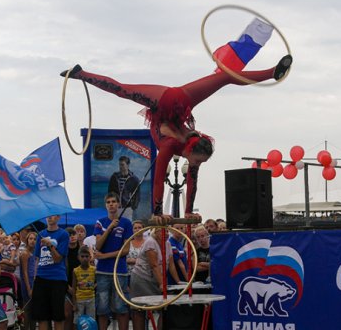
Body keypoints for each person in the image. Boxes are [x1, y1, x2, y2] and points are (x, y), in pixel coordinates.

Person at [61, 55, 292, 221]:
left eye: (200, 163)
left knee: (224, 78)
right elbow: (159, 177)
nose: (197, 165)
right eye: (199, 161)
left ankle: (272, 72)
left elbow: (193, 182)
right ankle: (81, 73)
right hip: (166, 101)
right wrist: (158, 212)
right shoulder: (171, 145)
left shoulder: (189, 152)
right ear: (191, 151)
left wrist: (189, 210)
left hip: (179, 102)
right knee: (122, 89)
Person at [92, 192, 134, 330]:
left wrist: (105, 256)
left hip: (120, 271)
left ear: (118, 204)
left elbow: (125, 250)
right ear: (106, 205)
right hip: (102, 273)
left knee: (122, 309)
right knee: (102, 310)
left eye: (114, 202)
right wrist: (109, 228)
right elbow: (98, 245)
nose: (111, 204)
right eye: (108, 202)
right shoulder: (100, 223)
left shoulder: (126, 223)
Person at [129, 227, 181, 330]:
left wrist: (178, 282)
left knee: (163, 309)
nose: (166, 233)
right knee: (140, 310)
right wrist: (162, 283)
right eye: (162, 231)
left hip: (156, 279)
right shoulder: (150, 242)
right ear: (155, 233)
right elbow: (154, 265)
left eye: (167, 231)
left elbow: (171, 264)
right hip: (142, 278)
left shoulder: (168, 244)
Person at [28, 215, 70, 330]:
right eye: (48, 216)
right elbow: (37, 259)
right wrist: (34, 281)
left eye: (53, 216)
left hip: (57, 278)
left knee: (58, 315)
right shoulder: (41, 234)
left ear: (58, 218)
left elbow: (59, 258)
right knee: (42, 316)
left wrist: (51, 245)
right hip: (42, 277)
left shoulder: (63, 234)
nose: (50, 218)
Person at [71, 246, 96, 330]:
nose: (85, 259)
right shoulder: (76, 271)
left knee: (91, 321)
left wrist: (92, 286)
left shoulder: (93, 270)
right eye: (83, 256)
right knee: (78, 322)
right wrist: (74, 303)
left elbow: (98, 282)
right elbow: (73, 287)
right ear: (78, 257)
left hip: (91, 298)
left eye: (87, 256)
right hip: (79, 299)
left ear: (90, 257)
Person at [19, 231, 38, 330]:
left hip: (35, 282)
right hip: (27, 283)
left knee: (34, 312)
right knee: (27, 312)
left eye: (34, 239)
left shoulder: (36, 253)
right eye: (30, 239)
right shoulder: (25, 253)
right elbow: (25, 272)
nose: (32, 241)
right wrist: (28, 288)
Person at [108, 156, 140, 220]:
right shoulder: (114, 177)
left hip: (127, 208)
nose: (120, 167)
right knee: (116, 227)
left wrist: (133, 207)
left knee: (127, 225)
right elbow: (110, 192)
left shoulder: (134, 179)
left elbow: (137, 195)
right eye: (119, 165)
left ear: (128, 165)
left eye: (122, 165)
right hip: (115, 207)